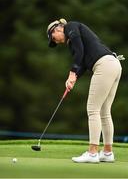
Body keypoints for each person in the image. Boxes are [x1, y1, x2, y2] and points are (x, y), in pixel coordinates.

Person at [47, 18, 123, 163]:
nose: (56, 42)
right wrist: (74, 77)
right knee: (104, 112)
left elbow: (79, 51)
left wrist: (72, 73)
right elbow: (81, 61)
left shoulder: (71, 26)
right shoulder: (73, 37)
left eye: (53, 39)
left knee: (93, 110)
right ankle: (107, 153)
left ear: (57, 29)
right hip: (114, 65)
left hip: (104, 65)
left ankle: (92, 153)